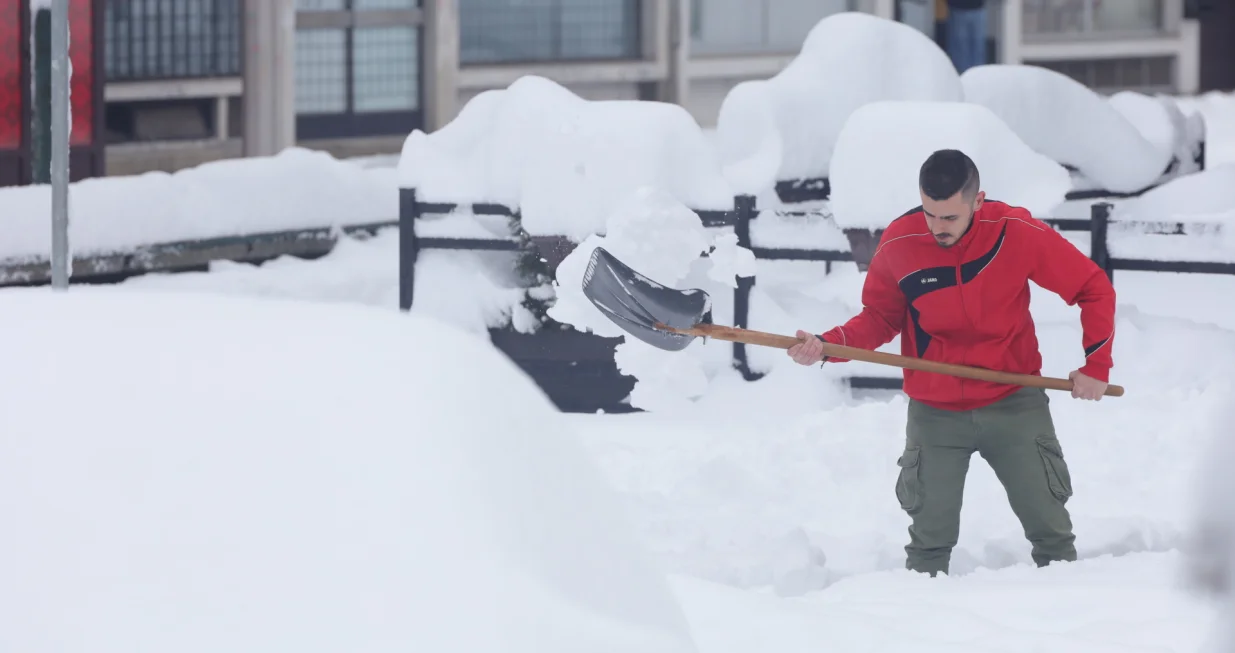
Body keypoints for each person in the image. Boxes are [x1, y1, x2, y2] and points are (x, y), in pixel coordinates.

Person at [787, 149, 1117, 577]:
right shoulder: (901, 242)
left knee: (1052, 533)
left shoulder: (1014, 232)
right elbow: (879, 317)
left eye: (949, 218)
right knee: (928, 545)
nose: (937, 228)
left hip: (1013, 398)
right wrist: (828, 344)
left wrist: (1096, 366)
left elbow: (1093, 287)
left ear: (978, 201)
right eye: (930, 215)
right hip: (935, 410)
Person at [945, 0, 988, 73]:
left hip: (976, 8)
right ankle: (964, 80)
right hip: (959, 9)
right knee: (961, 51)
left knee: (977, 50)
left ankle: (976, 78)